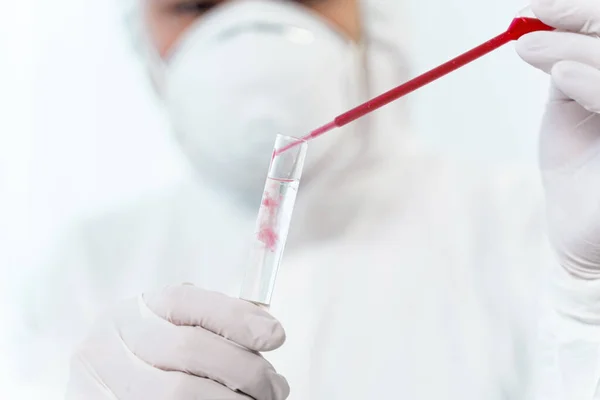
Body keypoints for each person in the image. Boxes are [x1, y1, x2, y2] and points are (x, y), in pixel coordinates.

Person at [19, 0, 600, 398]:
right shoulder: (84, 270)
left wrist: (587, 302)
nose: (251, 40)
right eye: (196, 4)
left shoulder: (538, 228)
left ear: (376, 16)